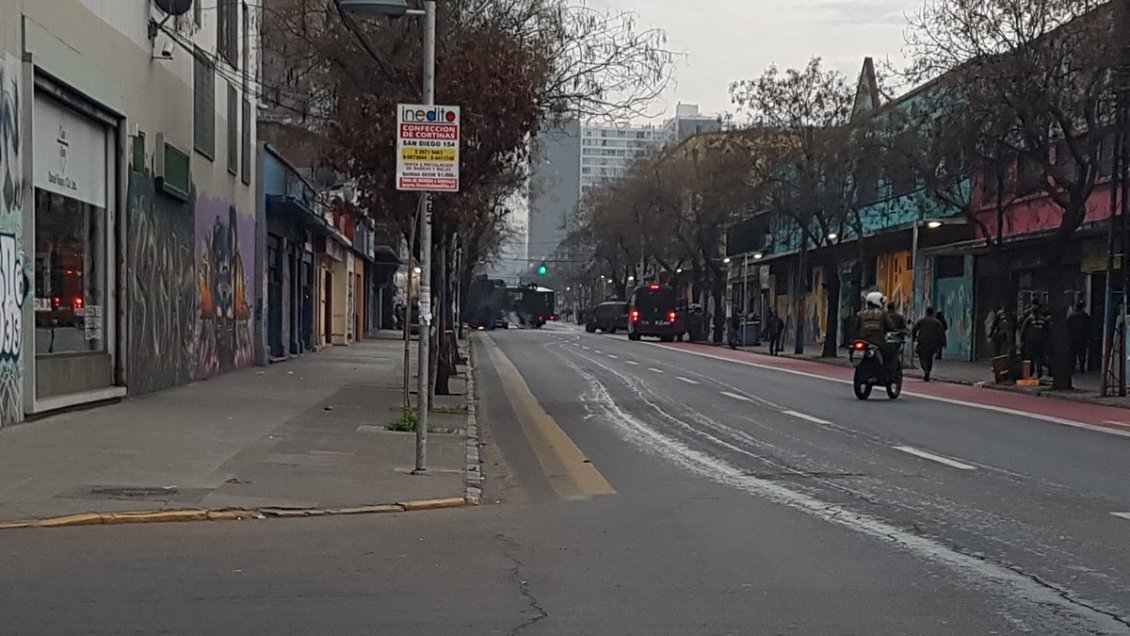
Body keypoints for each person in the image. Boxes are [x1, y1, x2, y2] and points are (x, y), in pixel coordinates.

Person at [855, 291, 898, 371]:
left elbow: (855, 327)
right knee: (891, 352)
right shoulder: (883, 314)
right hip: (878, 341)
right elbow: (890, 326)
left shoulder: (860, 314)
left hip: (863, 340)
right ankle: (887, 373)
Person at [913, 307, 946, 382]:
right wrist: (942, 342)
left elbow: (914, 329)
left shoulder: (921, 321)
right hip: (933, 342)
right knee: (930, 357)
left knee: (922, 357)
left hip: (922, 341)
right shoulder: (937, 322)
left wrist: (914, 337)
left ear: (926, 312)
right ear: (932, 312)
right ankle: (928, 371)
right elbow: (941, 332)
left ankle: (925, 370)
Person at [1021, 299, 1051, 378]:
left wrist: (1023, 340)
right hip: (1039, 341)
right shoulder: (1043, 319)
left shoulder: (1029, 318)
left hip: (1031, 341)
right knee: (1039, 357)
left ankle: (1030, 373)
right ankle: (1038, 371)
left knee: (1030, 357)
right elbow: (1047, 330)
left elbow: (1023, 330)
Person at [1067, 301, 1091, 373]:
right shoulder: (1085, 316)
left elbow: (1067, 327)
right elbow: (1089, 328)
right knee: (1082, 354)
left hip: (1072, 338)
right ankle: (1082, 368)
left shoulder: (1071, 317)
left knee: (1072, 354)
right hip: (1083, 338)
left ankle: (1072, 368)